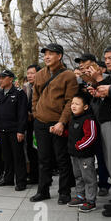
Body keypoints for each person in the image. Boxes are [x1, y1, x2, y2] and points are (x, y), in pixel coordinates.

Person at [30, 43, 78, 204]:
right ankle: (43, 191)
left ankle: (64, 192)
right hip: (41, 122)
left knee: (62, 159)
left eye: (51, 53)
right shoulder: (40, 74)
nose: (47, 56)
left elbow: (70, 101)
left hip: (58, 124)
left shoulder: (69, 75)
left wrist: (62, 122)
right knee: (43, 159)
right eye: (45, 54)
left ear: (60, 56)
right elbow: (35, 96)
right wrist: (36, 113)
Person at [86, 45, 111, 217]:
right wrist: (99, 92)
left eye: (110, 58)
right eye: (105, 58)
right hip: (106, 121)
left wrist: (103, 83)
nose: (107, 61)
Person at [0, 70, 28, 191]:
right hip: (2, 130)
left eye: (3, 77)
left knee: (18, 156)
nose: (0, 80)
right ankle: (8, 178)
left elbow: (23, 114)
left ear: (11, 79)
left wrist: (21, 131)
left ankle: (21, 181)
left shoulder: (19, 93)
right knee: (6, 156)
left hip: (15, 131)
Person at [64, 92, 98, 212]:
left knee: (88, 177)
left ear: (85, 107)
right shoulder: (73, 118)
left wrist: (79, 146)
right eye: (72, 103)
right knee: (78, 176)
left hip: (85, 155)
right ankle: (80, 196)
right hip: (74, 155)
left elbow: (91, 136)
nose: (73, 106)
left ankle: (91, 200)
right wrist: (63, 133)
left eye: (77, 104)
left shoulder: (89, 119)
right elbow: (72, 133)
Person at [24, 64, 41, 184]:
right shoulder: (27, 87)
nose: (29, 75)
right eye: (28, 73)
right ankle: (34, 176)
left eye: (32, 73)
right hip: (29, 124)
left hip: (40, 123)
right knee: (30, 149)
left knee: (39, 151)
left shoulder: (43, 87)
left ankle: (42, 177)